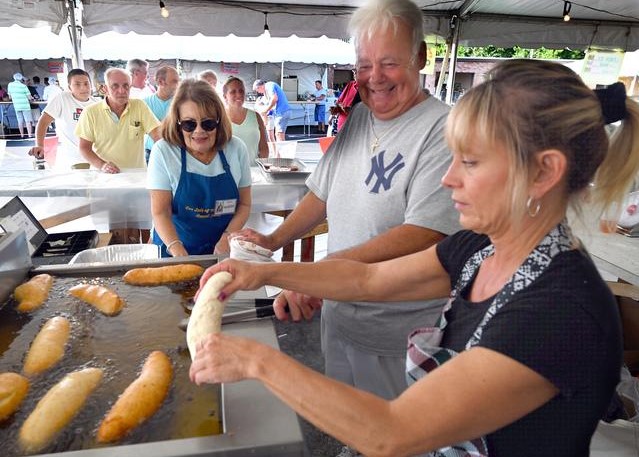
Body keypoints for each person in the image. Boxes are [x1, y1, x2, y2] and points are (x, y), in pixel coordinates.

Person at [191, 57, 639, 457]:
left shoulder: (558, 310)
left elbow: (393, 432)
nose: (447, 178)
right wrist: (261, 272)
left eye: (470, 162)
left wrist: (257, 361)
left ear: (544, 171)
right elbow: (367, 280)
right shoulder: (480, 247)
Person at [234, 4, 458, 456]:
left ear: (420, 57)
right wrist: (274, 241)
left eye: (389, 62)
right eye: (364, 65)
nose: (374, 78)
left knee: (397, 440)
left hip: (400, 333)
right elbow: (321, 193)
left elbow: (425, 233)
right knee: (351, 431)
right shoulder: (359, 118)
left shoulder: (445, 130)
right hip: (339, 317)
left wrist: (316, 274)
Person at [147, 79, 252, 257]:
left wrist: (226, 238)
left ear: (219, 121)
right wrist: (178, 253)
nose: (199, 131)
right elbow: (161, 212)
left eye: (208, 123)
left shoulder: (236, 149)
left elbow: (244, 204)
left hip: (221, 251)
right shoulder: (164, 151)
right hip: (173, 248)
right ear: (178, 122)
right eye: (189, 124)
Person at [75, 67, 161, 173]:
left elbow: (158, 136)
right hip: (104, 176)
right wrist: (102, 165)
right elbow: (84, 148)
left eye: (126, 86)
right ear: (106, 89)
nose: (121, 91)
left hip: (136, 176)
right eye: (115, 86)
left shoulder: (139, 106)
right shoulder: (90, 112)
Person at [28, 69, 100, 170]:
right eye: (77, 84)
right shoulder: (63, 99)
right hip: (74, 159)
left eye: (86, 83)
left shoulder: (97, 103)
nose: (83, 88)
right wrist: (39, 145)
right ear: (69, 87)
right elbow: (43, 122)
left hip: (96, 158)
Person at [222, 76, 269, 163]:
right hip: (228, 171)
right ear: (225, 96)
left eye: (241, 91)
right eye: (233, 92)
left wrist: (262, 166)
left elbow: (263, 147)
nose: (238, 95)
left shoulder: (256, 116)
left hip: (253, 170)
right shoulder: (219, 119)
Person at [143, 65, 180, 163]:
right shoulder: (144, 103)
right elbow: (141, 128)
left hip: (174, 152)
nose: (178, 85)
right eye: (175, 81)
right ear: (160, 82)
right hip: (151, 152)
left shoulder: (181, 103)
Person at [7, 72, 34, 138]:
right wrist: (32, 98)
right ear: (21, 79)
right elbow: (29, 97)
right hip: (25, 105)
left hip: (17, 105)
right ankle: (30, 135)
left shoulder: (10, 85)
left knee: (20, 121)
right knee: (27, 121)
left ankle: (22, 135)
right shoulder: (23, 86)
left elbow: (10, 97)